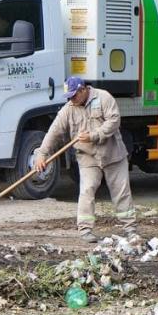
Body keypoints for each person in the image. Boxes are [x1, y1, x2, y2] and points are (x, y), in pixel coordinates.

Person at [35, 76, 135, 242]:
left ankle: (130, 229)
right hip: (88, 157)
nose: (71, 100)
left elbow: (114, 120)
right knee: (87, 190)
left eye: (74, 96)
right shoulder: (68, 108)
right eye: (69, 97)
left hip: (113, 154)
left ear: (83, 90)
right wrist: (42, 154)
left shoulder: (103, 97)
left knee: (121, 191)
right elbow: (54, 132)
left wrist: (94, 135)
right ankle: (85, 230)